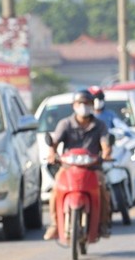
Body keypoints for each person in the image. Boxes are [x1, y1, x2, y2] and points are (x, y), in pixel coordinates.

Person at [43, 89, 112, 240]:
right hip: (68, 168)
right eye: (80, 103)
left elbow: (105, 143)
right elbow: (54, 142)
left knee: (103, 191)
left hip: (93, 168)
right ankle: (54, 224)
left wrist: (106, 153)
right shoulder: (65, 124)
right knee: (55, 191)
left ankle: (104, 224)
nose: (83, 106)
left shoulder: (100, 125)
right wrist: (51, 153)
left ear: (92, 105)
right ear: (74, 105)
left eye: (86, 103)